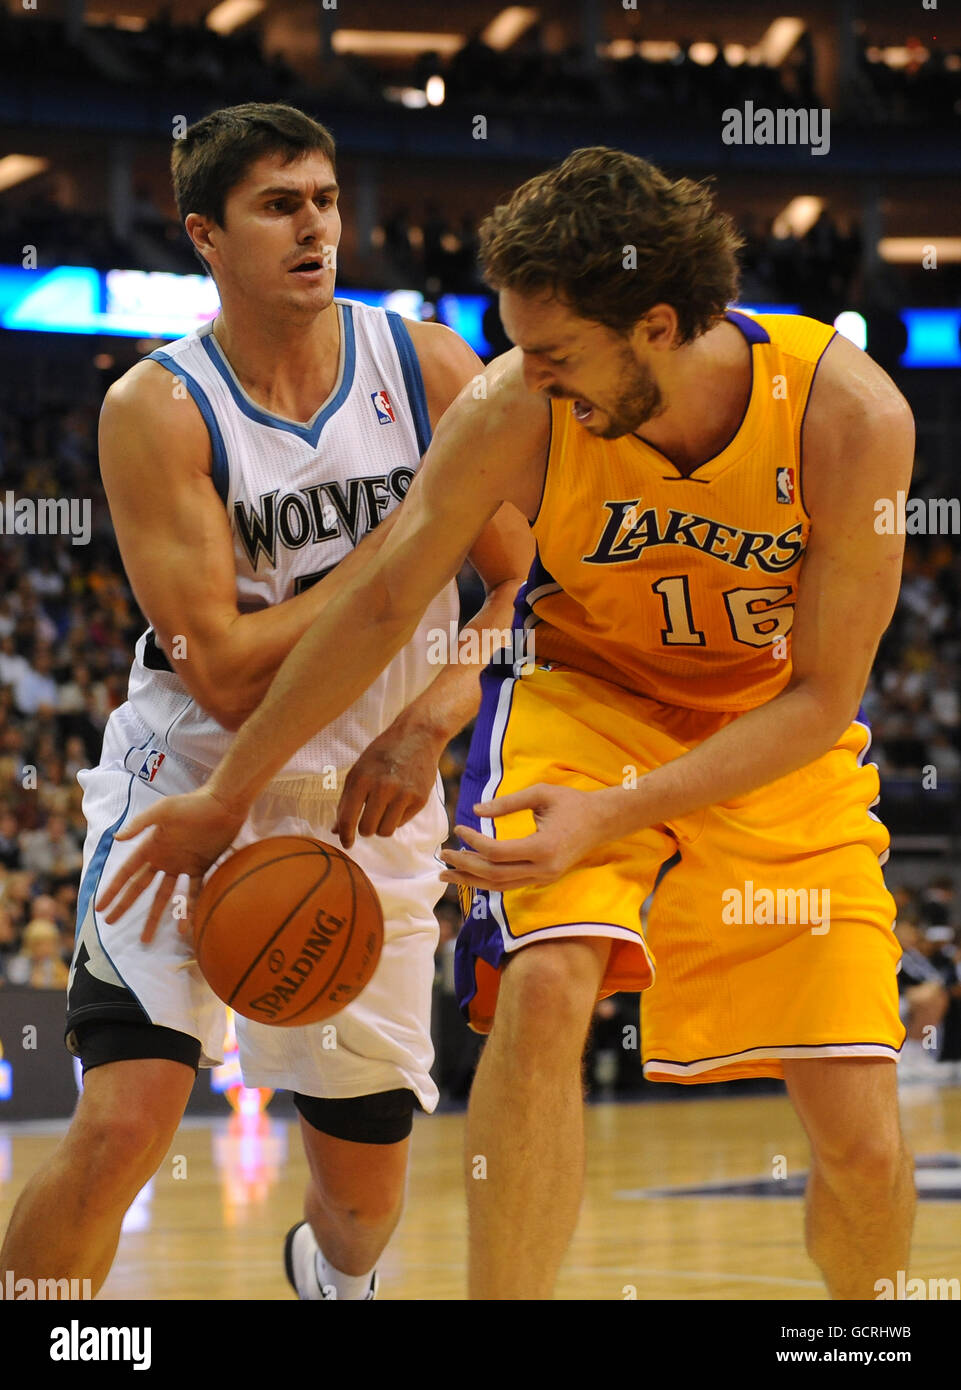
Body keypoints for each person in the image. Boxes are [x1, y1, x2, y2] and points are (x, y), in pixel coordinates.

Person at [87, 147, 916, 1302]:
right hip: (580, 701)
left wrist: (620, 814)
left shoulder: (851, 414)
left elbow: (822, 701)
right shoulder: (510, 404)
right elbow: (383, 602)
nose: (528, 373)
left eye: (555, 351)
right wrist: (230, 794)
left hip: (770, 737)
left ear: (658, 327)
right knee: (545, 985)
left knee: (864, 1141)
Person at [0, 102, 532, 1302]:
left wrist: (427, 722)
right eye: (279, 205)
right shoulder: (157, 408)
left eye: (326, 201)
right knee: (123, 1124)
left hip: (370, 796)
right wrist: (400, 559)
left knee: (362, 1206)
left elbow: (517, 588)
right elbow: (229, 671)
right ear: (205, 233)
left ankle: (324, 1277)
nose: (315, 228)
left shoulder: (429, 367)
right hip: (192, 782)